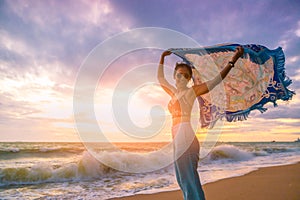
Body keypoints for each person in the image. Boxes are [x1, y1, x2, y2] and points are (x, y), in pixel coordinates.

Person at [157, 46, 244, 200]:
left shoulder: (193, 91)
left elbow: (216, 80)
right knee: (183, 177)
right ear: (174, 76)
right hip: (177, 135)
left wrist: (233, 60)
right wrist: (163, 58)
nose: (181, 78)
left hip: (184, 134)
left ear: (190, 78)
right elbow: (160, 79)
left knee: (188, 176)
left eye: (185, 75)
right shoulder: (173, 92)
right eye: (178, 75)